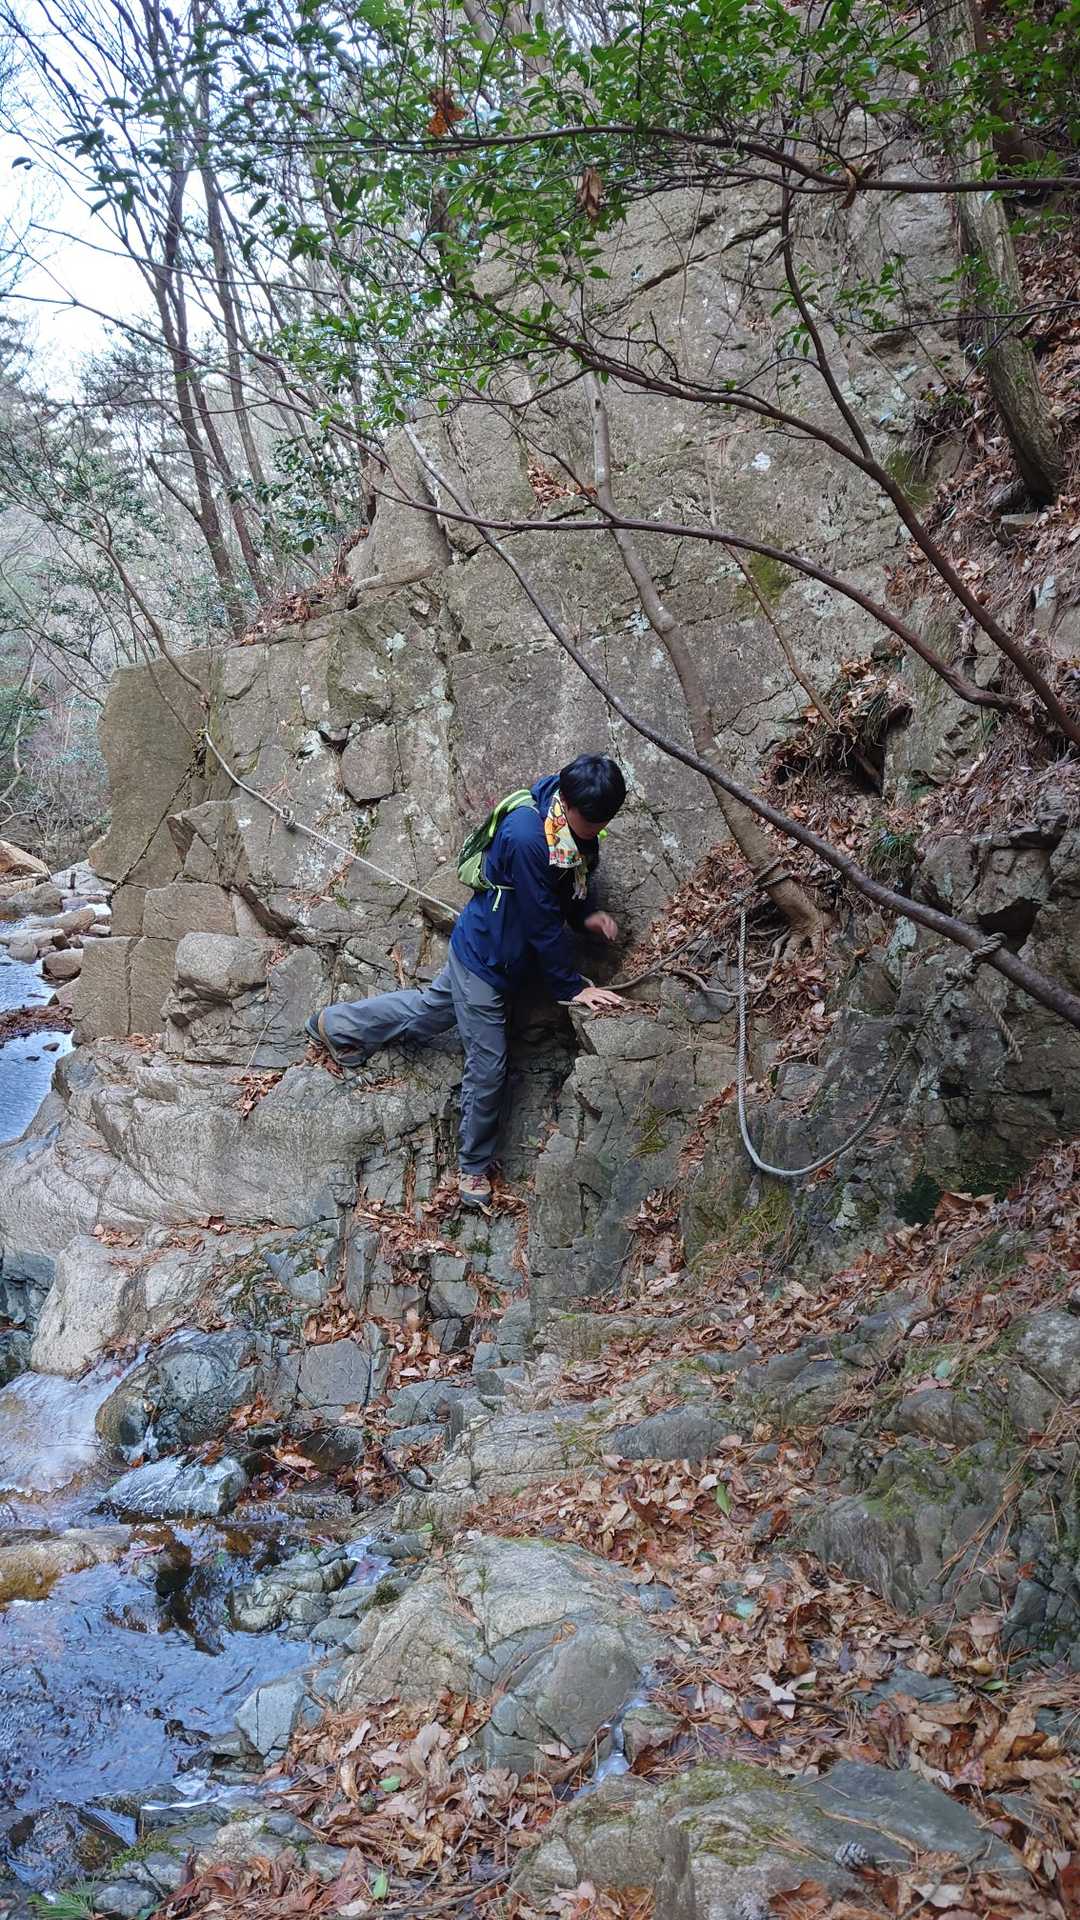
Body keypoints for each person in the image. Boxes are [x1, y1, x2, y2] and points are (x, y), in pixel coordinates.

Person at [306, 754, 628, 1206]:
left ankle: (335, 1025)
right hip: (484, 960)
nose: (597, 829)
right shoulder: (528, 836)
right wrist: (572, 988)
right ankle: (473, 1168)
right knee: (488, 1064)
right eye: (592, 821)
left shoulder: (570, 826)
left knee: (430, 1012)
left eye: (603, 821)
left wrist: (586, 915)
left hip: (495, 949)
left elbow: (568, 884)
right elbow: (541, 921)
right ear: (568, 802)